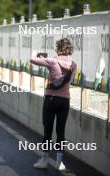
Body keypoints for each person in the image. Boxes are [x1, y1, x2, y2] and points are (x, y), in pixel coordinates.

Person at [30, 38, 77, 171]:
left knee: (48, 130)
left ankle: (44, 160)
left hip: (51, 99)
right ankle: (60, 162)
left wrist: (35, 52)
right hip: (65, 100)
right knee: (60, 131)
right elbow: (71, 81)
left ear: (59, 49)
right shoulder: (74, 65)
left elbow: (32, 59)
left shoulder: (52, 61)